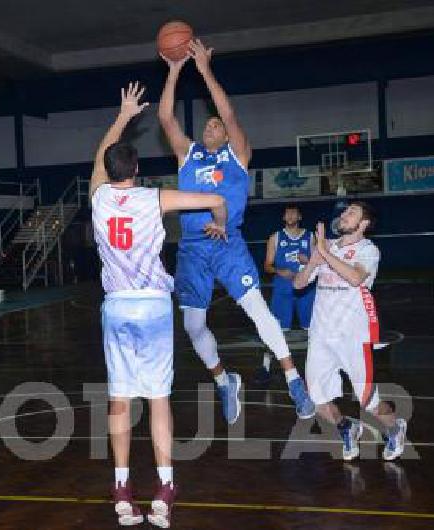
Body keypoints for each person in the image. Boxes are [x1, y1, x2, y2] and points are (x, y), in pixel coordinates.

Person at [92, 82, 228, 528]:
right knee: (158, 399)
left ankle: (121, 486)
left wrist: (123, 113)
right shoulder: (155, 198)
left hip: (116, 308)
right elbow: (216, 199)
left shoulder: (97, 198)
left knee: (119, 401)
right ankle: (165, 485)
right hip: (151, 307)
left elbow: (101, 154)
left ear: (109, 169)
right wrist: (220, 225)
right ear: (136, 168)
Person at [158, 38, 315, 423]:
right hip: (192, 249)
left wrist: (205, 70)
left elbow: (227, 112)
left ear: (227, 136)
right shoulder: (188, 155)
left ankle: (294, 378)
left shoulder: (238, 154)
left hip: (228, 244)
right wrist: (175, 70)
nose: (211, 125)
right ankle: (225, 380)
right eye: (208, 123)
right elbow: (166, 118)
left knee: (259, 311)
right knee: (193, 326)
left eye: (216, 125)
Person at [293, 201, 407, 461]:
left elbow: (355, 278)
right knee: (317, 399)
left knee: (368, 401)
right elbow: (299, 284)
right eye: (344, 212)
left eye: (351, 213)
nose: (344, 215)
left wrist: (325, 252)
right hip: (321, 335)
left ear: (363, 224)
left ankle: (395, 427)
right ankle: (347, 427)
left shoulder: (368, 250)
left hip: (354, 336)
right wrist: (313, 261)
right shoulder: (327, 247)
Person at [255, 204, 316, 384]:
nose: (290, 216)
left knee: (312, 330)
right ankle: (265, 367)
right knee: (277, 329)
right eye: (287, 213)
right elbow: (267, 265)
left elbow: (318, 262)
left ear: (299, 217)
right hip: (283, 288)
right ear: (283, 217)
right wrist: (279, 271)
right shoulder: (275, 237)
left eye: (294, 213)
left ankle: (316, 368)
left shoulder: (310, 236)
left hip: (306, 288)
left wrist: (309, 261)